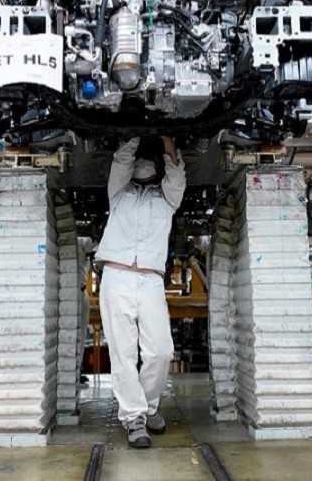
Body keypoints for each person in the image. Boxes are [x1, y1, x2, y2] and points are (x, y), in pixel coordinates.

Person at [94, 135, 185, 449]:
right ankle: (134, 418)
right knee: (123, 353)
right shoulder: (119, 194)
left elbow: (177, 173)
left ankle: (147, 406)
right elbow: (120, 162)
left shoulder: (167, 200)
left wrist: (167, 143)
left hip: (150, 281)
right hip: (116, 275)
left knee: (161, 351)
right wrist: (135, 134)